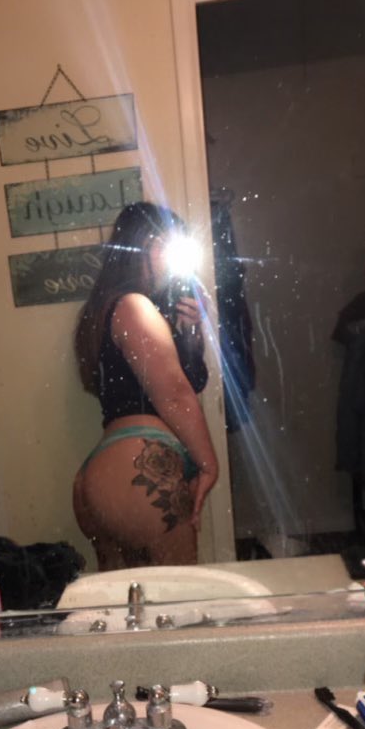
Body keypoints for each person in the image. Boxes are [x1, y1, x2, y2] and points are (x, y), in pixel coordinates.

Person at [73, 201, 219, 570]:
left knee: (126, 600)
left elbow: (183, 380)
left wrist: (191, 333)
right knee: (179, 593)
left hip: (106, 471)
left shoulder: (109, 309)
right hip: (139, 470)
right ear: (144, 245)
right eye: (167, 246)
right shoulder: (135, 307)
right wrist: (208, 465)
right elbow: (174, 394)